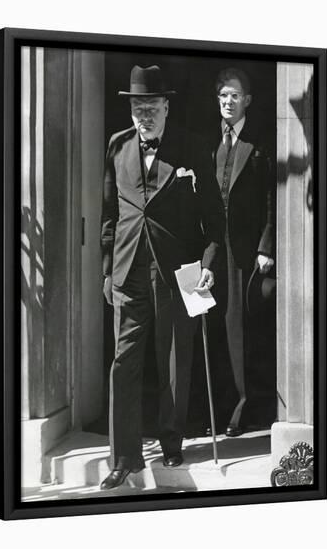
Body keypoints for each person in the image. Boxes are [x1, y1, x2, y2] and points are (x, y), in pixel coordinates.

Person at [100, 65, 224, 489]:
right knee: (124, 364)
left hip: (178, 271)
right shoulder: (117, 148)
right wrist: (106, 271)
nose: (144, 115)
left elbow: (214, 219)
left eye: (152, 106)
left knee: (175, 363)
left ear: (167, 107)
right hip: (127, 270)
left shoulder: (193, 148)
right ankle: (124, 457)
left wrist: (208, 263)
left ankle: (172, 441)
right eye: (138, 107)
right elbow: (110, 217)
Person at [208, 67, 276, 437]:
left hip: (247, 253)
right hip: (215, 251)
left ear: (246, 100)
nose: (228, 102)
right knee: (216, 328)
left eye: (234, 95)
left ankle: (245, 412)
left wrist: (267, 247)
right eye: (223, 96)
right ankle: (217, 411)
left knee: (242, 333)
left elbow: (272, 199)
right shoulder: (213, 142)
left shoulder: (260, 142)